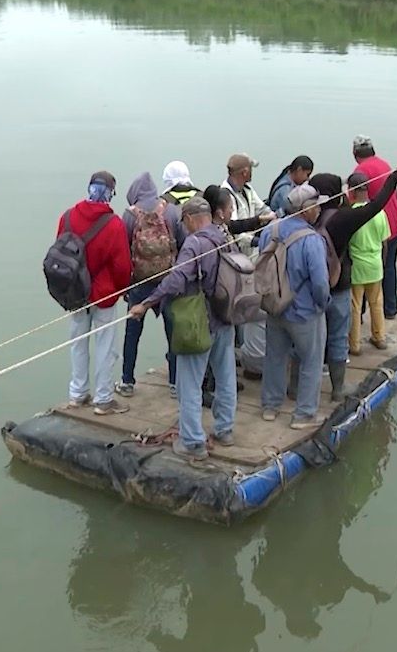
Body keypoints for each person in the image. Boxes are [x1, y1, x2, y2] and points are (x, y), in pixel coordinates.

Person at [129, 197, 237, 462]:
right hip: (225, 317)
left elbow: (177, 279)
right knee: (225, 377)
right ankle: (225, 430)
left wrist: (147, 303)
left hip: (199, 322)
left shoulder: (194, 244)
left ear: (189, 218)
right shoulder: (224, 237)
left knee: (189, 383)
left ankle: (192, 442)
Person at [309, 163, 397, 399]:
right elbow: (376, 205)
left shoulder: (307, 217)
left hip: (311, 286)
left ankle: (295, 387)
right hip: (341, 283)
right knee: (339, 334)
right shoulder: (343, 218)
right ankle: (338, 388)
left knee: (311, 337)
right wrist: (394, 177)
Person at [258, 184, 331, 430]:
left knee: (275, 357)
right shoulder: (312, 239)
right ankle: (304, 414)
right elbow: (320, 282)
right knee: (311, 361)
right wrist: (323, 304)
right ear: (305, 210)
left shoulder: (269, 231)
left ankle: (270, 406)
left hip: (274, 307)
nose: (319, 210)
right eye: (316, 206)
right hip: (305, 312)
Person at [61, 171, 132, 415]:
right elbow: (122, 266)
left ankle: (78, 394)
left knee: (77, 344)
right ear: (110, 193)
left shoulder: (67, 217)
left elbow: (61, 253)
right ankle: (103, 399)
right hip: (104, 295)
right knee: (105, 347)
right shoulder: (113, 224)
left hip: (75, 294)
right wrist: (121, 290)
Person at [117, 171, 187, 399]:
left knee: (132, 334)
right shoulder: (171, 211)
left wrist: (126, 286)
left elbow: (123, 253)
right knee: (172, 332)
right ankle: (175, 382)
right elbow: (183, 244)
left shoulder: (129, 216)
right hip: (168, 283)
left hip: (139, 284)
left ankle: (127, 381)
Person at [222, 152, 274, 379]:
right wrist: (258, 240)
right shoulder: (226, 196)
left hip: (253, 262)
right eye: (250, 169)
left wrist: (273, 217)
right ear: (244, 172)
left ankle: (245, 352)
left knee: (248, 309)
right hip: (237, 263)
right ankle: (239, 356)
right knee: (240, 310)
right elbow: (233, 231)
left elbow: (262, 209)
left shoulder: (248, 191)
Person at [352, 135, 397, 321]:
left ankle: (360, 313)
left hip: (379, 226)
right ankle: (391, 308)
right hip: (396, 222)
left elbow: (354, 200)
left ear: (355, 153)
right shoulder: (384, 164)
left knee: (366, 269)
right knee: (389, 267)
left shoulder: (361, 171)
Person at [346, 172, 391, 355]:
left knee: (355, 306)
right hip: (375, 264)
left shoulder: (351, 214)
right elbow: (385, 243)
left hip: (357, 265)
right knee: (376, 303)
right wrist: (383, 264)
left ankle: (354, 345)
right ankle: (379, 337)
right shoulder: (380, 213)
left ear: (351, 191)